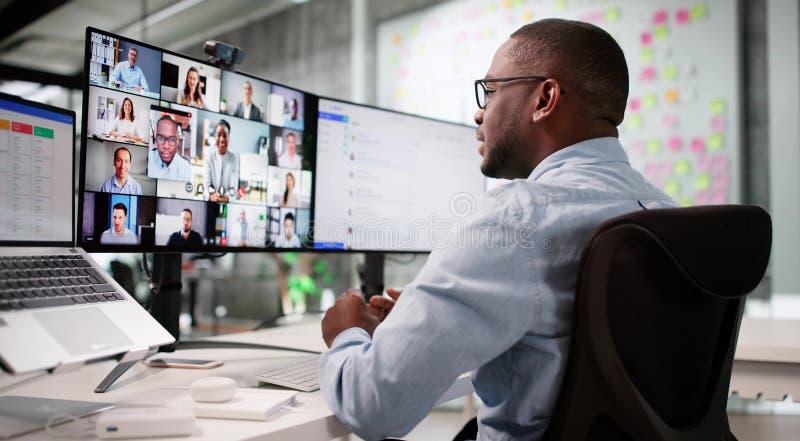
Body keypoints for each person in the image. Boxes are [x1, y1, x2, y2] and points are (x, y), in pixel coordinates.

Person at [318, 18, 678, 441]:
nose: (478, 111)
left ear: (545, 98)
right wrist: (428, 324)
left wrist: (348, 333)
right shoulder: (665, 212)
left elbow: (371, 406)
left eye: (490, 91)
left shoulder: (515, 220)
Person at [204, 119, 239, 203]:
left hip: (227, 204)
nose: (222, 139)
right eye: (218, 135)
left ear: (229, 137)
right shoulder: (209, 155)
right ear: (215, 136)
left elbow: (233, 189)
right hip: (211, 202)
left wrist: (227, 197)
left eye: (225, 135)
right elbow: (207, 185)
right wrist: (212, 195)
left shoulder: (234, 158)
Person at [148, 114, 190, 181]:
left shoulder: (184, 167)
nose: (166, 146)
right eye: (161, 138)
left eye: (172, 139)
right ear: (155, 139)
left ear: (177, 141)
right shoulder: (149, 160)